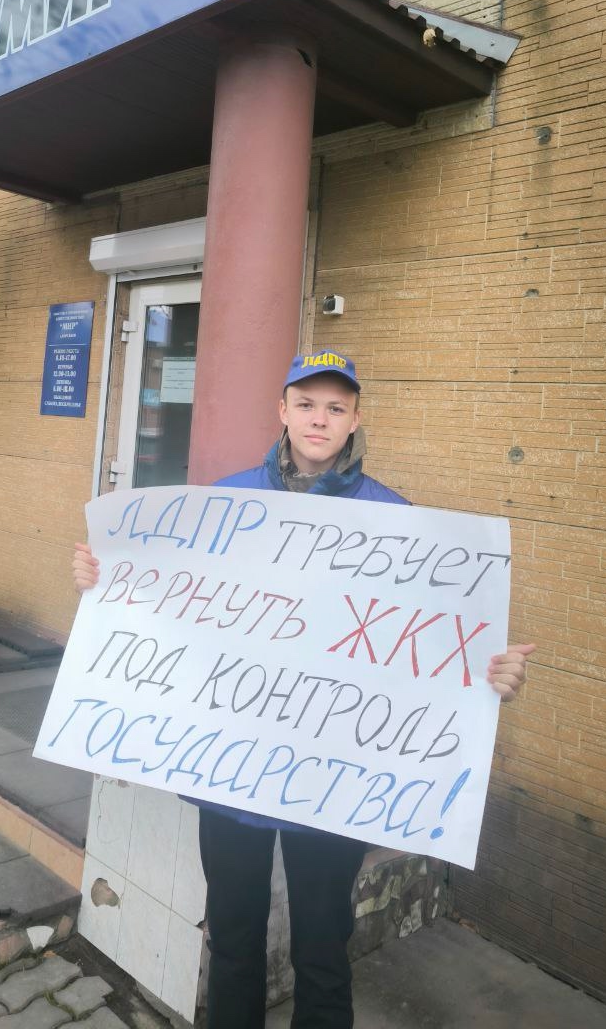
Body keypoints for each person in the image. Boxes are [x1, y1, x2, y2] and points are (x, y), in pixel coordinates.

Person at [72, 349, 534, 1029]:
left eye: (336, 407)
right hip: (229, 767)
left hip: (332, 781)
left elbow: (428, 644)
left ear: (355, 420)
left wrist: (488, 677)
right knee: (233, 940)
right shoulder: (223, 504)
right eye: (307, 404)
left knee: (323, 948)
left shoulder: (397, 522)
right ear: (283, 411)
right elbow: (169, 601)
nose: (320, 419)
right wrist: (107, 580)